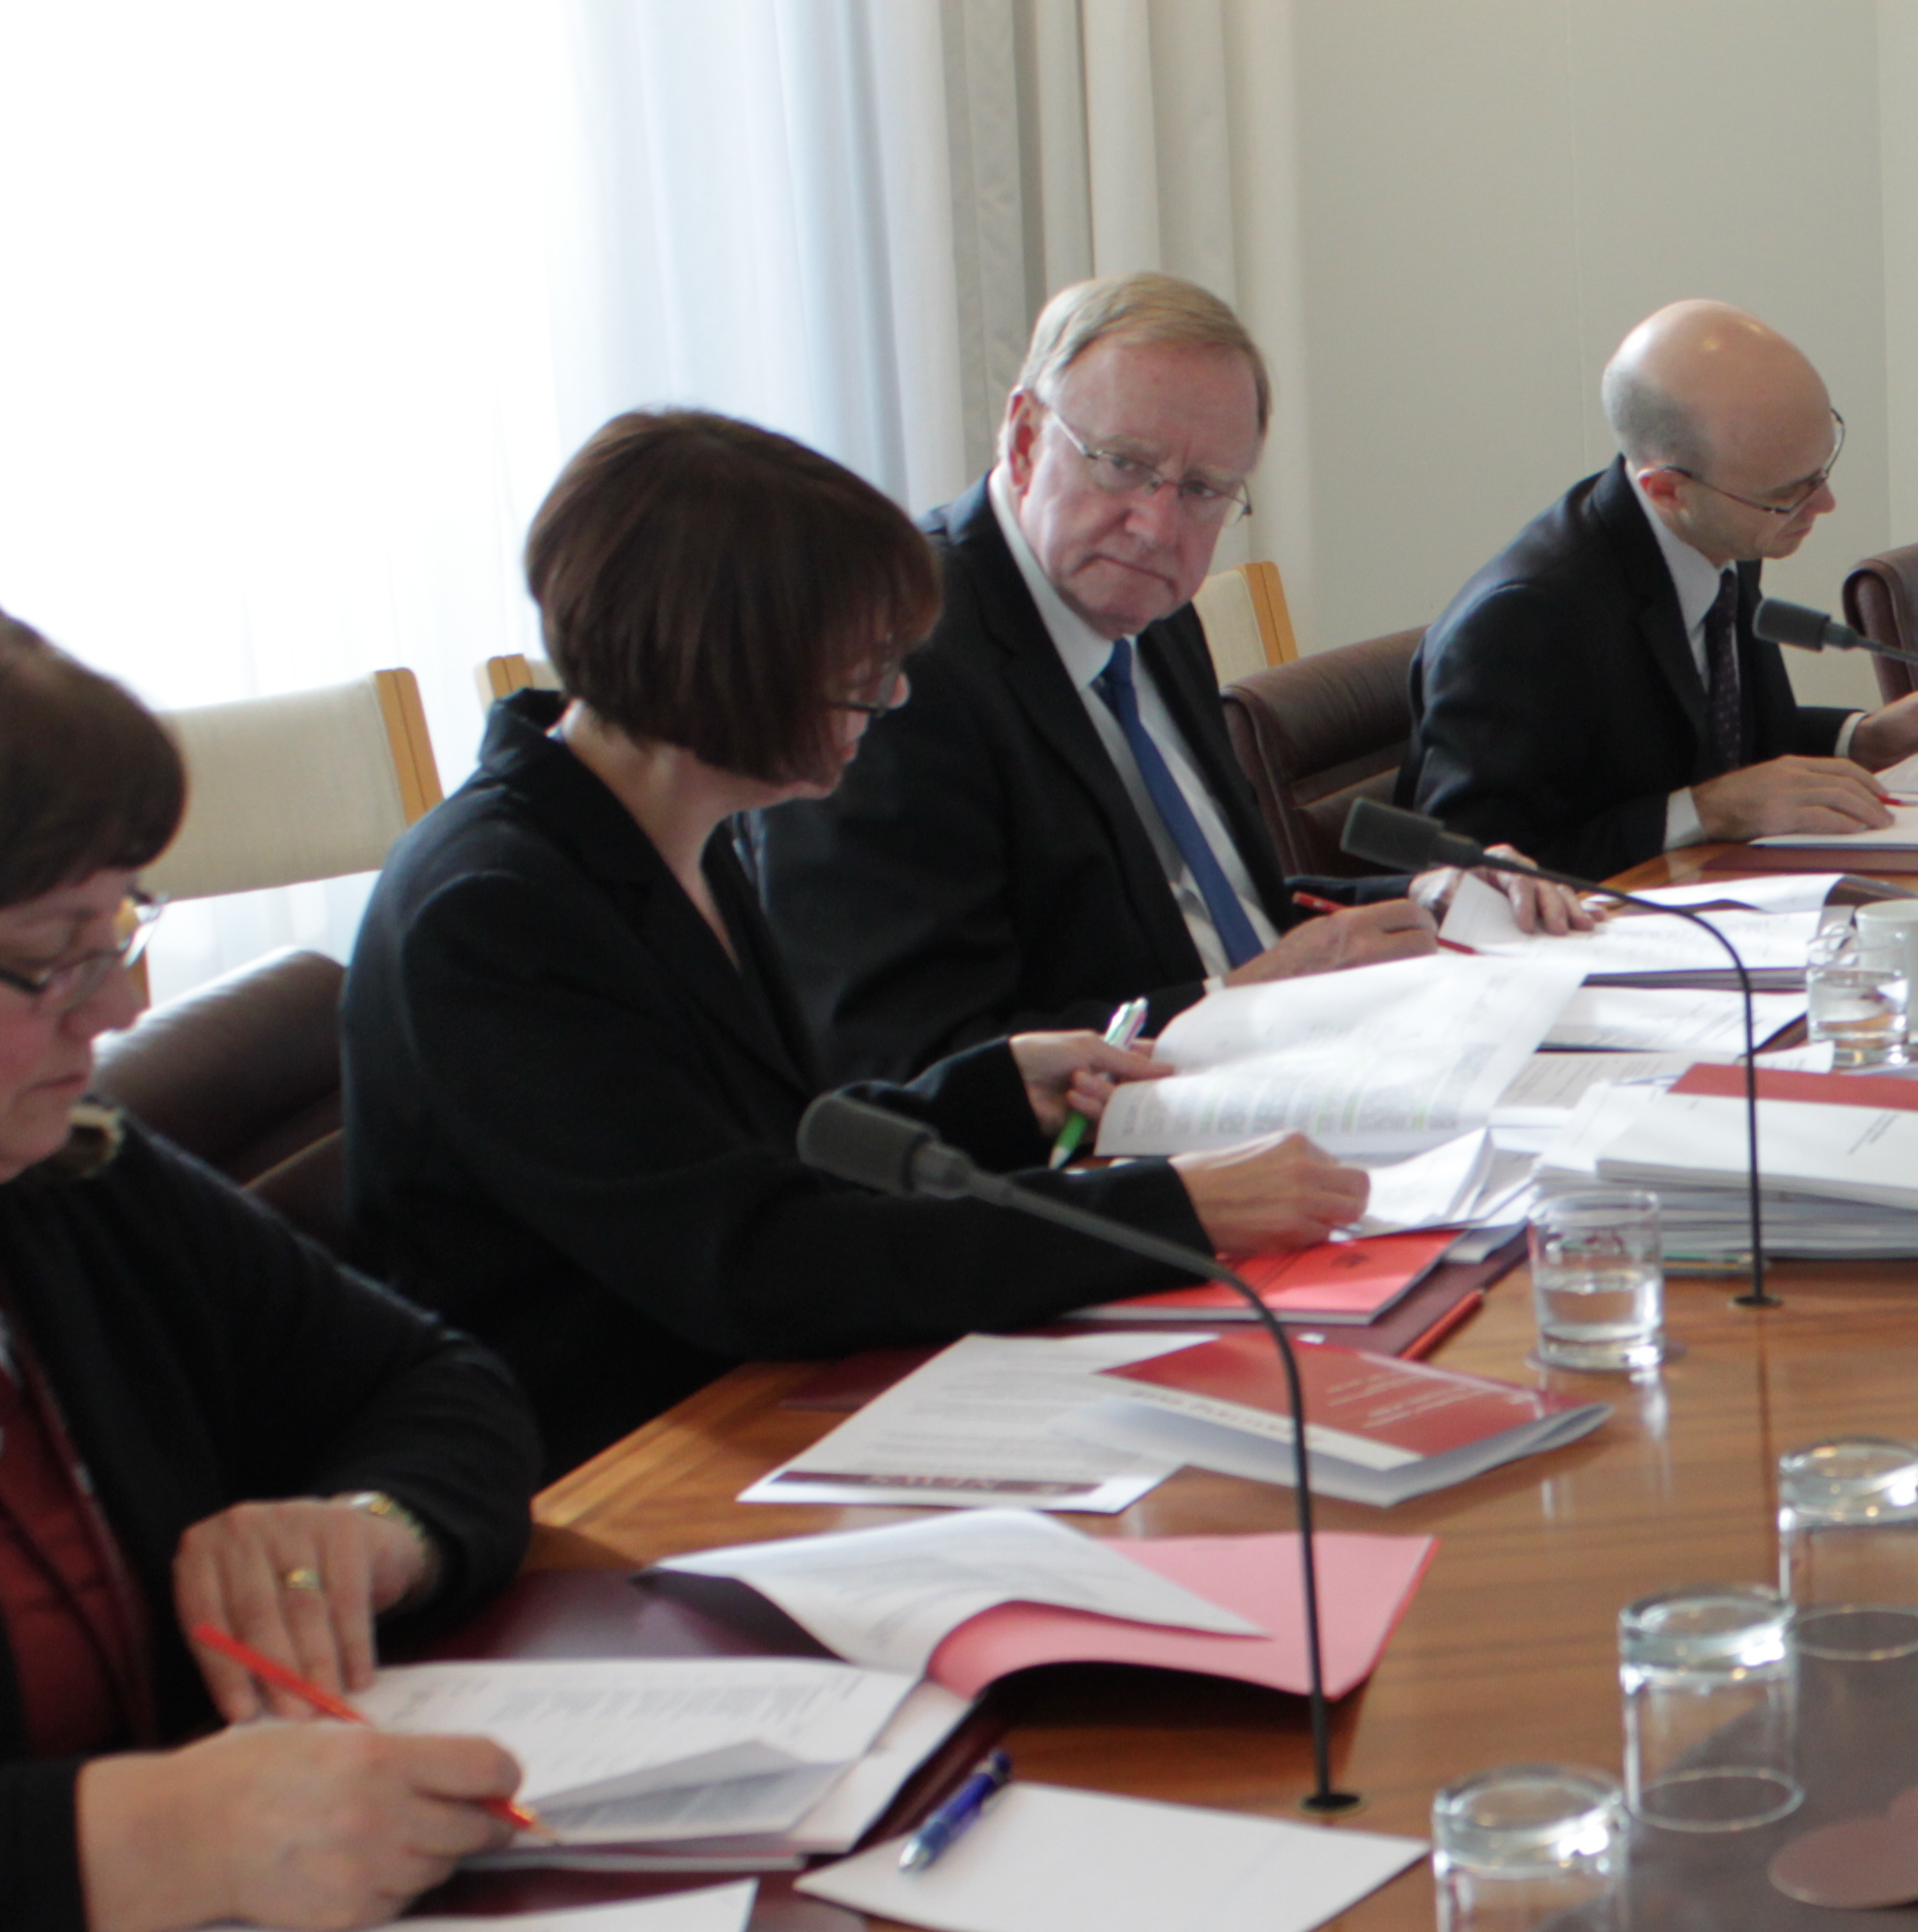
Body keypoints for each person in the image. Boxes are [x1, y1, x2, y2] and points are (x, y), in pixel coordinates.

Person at [343, 407, 1363, 1473]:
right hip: (611, 1468)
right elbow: (752, 1258)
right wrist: (1170, 1208)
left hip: (747, 1399)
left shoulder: (670, 831)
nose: (896, 695)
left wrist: (984, 1095)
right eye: (863, 665)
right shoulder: (492, 910)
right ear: (722, 663)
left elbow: (751, 1151)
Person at [0, 569, 540, 1932]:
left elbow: (441, 1384)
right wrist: (164, 1838)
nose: (122, 1007)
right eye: (48, 960)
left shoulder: (71, 1182)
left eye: (122, 928)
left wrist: (365, 1528)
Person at [752, 275, 1537, 1089]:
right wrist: (1234, 1006)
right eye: (1123, 466)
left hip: (1296, 1080)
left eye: (1202, 491)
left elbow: (1210, 903)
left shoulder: (1150, 610)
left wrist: (1429, 890)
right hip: (1099, 1159)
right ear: (1023, 440)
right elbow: (907, 1059)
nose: (1157, 526)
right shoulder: (891, 662)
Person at [1405, 300, 1918, 880]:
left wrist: (1859, 739)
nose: (1824, 504)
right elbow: (1472, 872)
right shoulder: (1524, 620)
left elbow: (1712, 737)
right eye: (1791, 491)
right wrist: (1703, 812)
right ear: (1668, 489)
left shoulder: (1723, 529)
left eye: (1823, 469)